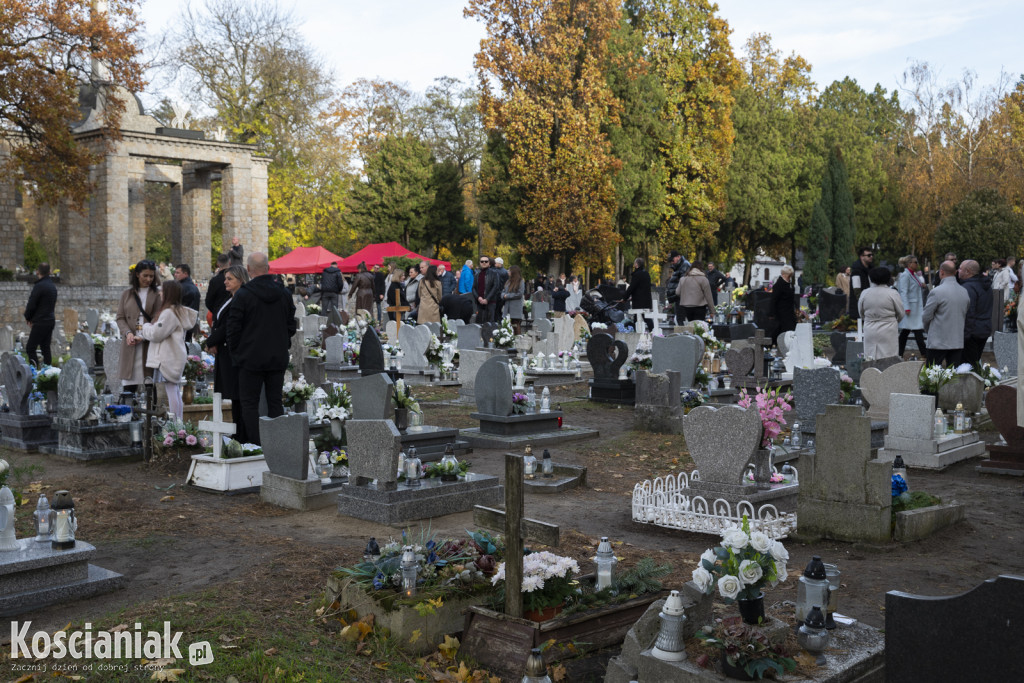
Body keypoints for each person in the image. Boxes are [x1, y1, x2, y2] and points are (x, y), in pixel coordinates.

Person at [227, 253, 296, 446]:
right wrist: (283, 344)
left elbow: (233, 328)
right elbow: (291, 325)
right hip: (276, 356)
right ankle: (276, 444)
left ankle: (257, 444)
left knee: (249, 403)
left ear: (248, 270)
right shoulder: (284, 294)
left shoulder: (243, 294)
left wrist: (237, 354)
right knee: (275, 402)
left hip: (249, 358)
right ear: (268, 268)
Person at [203, 264, 250, 443]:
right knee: (233, 395)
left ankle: (242, 433)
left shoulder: (241, 298)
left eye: (230, 279)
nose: (225, 282)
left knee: (237, 393)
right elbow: (217, 320)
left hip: (234, 352)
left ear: (241, 280)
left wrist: (211, 341)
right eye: (225, 278)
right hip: (223, 350)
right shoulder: (228, 297)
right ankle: (237, 431)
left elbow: (227, 326)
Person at [139, 280, 198, 421]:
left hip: (168, 357)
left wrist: (144, 327)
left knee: (172, 390)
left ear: (168, 294)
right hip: (172, 355)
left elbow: (156, 334)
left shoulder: (169, 313)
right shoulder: (176, 311)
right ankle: (177, 422)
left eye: (162, 291)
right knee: (174, 390)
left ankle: (176, 424)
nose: (160, 293)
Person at [116, 260, 162, 392]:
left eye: (151, 276)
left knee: (149, 384)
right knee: (129, 386)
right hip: (130, 343)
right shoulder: (127, 294)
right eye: (145, 275)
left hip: (148, 343)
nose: (148, 279)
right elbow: (120, 317)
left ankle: (150, 412)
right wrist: (128, 333)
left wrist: (144, 336)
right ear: (137, 275)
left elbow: (157, 317)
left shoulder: (156, 294)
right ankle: (128, 411)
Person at [922, 261, 969, 367]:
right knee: (953, 376)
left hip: (937, 341)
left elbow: (926, 316)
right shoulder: (964, 291)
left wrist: (928, 330)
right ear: (956, 272)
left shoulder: (937, 292)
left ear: (941, 272)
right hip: (957, 340)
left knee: (931, 374)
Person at [859, 266, 904, 359]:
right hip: (889, 329)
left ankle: (871, 373)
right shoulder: (892, 293)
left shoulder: (865, 293)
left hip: (870, 327)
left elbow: (861, 312)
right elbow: (901, 313)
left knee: (870, 356)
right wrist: (893, 321)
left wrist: (869, 319)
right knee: (889, 356)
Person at [959, 259, 993, 365]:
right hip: (984, 328)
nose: (958, 270)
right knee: (975, 362)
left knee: (967, 365)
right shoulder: (985, 285)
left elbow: (969, 311)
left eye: (960, 268)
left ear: (968, 271)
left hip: (972, 332)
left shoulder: (968, 287)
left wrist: (965, 335)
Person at [24, 262, 57, 367]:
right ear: (50, 272)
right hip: (50, 320)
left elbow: (32, 304)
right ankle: (48, 373)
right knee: (45, 347)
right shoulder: (52, 286)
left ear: (37, 272)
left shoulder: (39, 286)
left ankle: (34, 372)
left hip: (40, 321)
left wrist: (28, 318)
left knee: (30, 348)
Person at [897, 255, 927, 358]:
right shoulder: (906, 275)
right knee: (914, 330)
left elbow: (916, 286)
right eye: (915, 262)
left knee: (907, 331)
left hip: (915, 307)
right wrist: (906, 307)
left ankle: (900, 353)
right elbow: (903, 292)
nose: (917, 264)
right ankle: (924, 353)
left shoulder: (914, 275)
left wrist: (922, 285)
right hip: (911, 308)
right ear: (909, 264)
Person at [768, 265, 800, 345]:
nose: (789, 277)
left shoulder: (789, 284)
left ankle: (789, 345)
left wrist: (796, 307)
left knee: (790, 329)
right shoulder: (779, 284)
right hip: (781, 312)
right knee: (782, 329)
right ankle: (771, 344)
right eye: (788, 275)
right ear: (784, 275)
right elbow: (774, 299)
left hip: (789, 311)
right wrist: (771, 313)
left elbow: (791, 298)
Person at [173, 263, 201, 343]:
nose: (175, 275)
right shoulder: (191, 286)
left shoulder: (182, 287)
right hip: (190, 323)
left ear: (185, 274)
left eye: (178, 273)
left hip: (183, 324)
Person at [622, 257, 653, 329]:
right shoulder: (646, 274)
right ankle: (653, 331)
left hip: (639, 301)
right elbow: (643, 288)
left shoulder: (637, 275)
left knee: (638, 318)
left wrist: (624, 298)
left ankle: (637, 332)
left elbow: (632, 288)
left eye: (634, 263)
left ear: (636, 265)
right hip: (646, 300)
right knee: (646, 318)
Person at [664, 250, 692, 323]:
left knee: (681, 320)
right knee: (680, 319)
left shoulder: (685, 265)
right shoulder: (679, 266)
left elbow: (683, 282)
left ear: (678, 257)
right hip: (679, 297)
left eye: (672, 260)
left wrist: (674, 292)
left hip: (683, 298)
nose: (672, 262)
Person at [205, 253, 231, 327]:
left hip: (218, 315)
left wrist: (217, 311)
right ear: (229, 263)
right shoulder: (236, 278)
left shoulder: (215, 280)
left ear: (217, 264)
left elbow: (208, 301)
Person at [848, 247, 874, 318]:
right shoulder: (856, 271)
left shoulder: (871, 270)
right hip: (859, 307)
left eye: (872, 255)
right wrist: (864, 304)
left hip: (870, 304)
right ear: (862, 257)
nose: (871, 257)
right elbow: (857, 290)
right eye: (868, 255)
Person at [475, 255, 501, 322]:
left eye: (486, 261)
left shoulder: (494, 273)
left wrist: (487, 299)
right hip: (479, 302)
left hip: (490, 302)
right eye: (482, 261)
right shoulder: (477, 274)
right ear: (480, 263)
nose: (484, 263)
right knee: (479, 322)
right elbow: (473, 288)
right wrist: (478, 297)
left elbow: (496, 287)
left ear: (489, 263)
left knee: (490, 323)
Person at [502, 265, 526, 333]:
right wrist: (503, 295)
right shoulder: (508, 281)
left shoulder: (520, 281)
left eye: (509, 271)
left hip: (515, 307)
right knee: (506, 325)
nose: (508, 272)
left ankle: (518, 341)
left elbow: (519, 294)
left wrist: (508, 296)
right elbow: (503, 291)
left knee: (515, 325)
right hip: (507, 307)